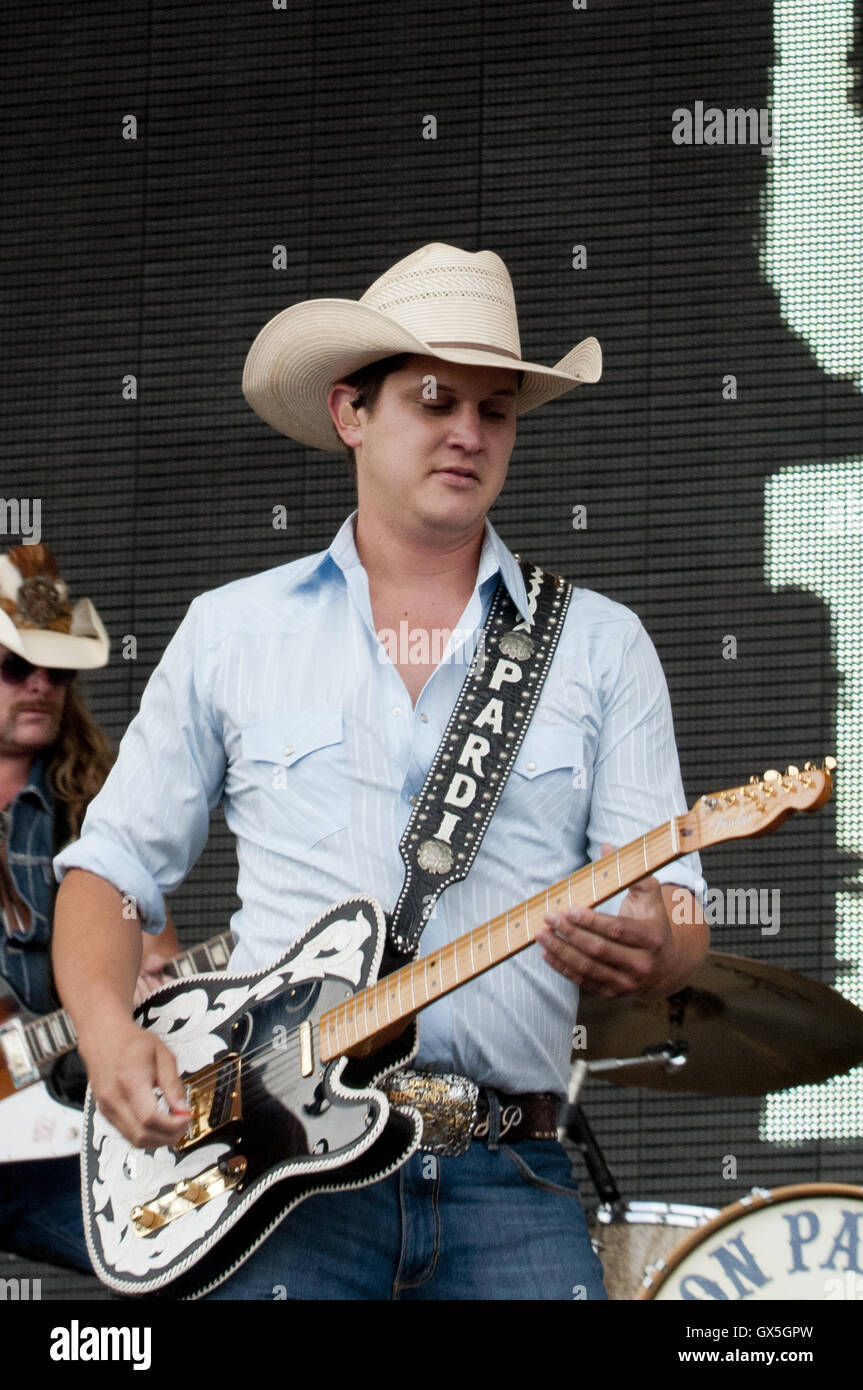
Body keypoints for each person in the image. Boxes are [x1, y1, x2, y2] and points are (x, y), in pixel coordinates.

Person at [53, 243, 708, 1299]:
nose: (467, 432)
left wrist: (660, 948)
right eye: (435, 398)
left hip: (508, 1169)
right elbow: (109, 870)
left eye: (494, 410)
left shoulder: (598, 643)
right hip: (277, 1181)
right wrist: (108, 1032)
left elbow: (675, 911)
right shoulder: (231, 630)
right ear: (349, 412)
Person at [0, 543, 179, 1272]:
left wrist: (145, 985)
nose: (41, 685)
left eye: (59, 670)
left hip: (56, 1136)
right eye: (16, 666)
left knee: (178, 1261)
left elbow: (156, 953)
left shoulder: (101, 800)